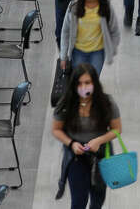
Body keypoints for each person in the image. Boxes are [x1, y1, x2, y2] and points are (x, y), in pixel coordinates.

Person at [52, 63, 123, 209]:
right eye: (80, 83)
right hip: (76, 158)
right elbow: (56, 129)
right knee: (78, 202)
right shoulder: (66, 103)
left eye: (87, 82)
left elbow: (117, 129)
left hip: (101, 157)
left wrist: (99, 140)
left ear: (94, 83)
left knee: (97, 201)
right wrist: (71, 143)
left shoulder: (107, 103)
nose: (84, 87)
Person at [59, 0, 120, 75]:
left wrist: (111, 49)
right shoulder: (74, 6)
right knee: (81, 82)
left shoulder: (106, 7)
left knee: (92, 82)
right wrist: (63, 56)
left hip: (98, 53)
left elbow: (114, 31)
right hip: (78, 52)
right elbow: (65, 31)